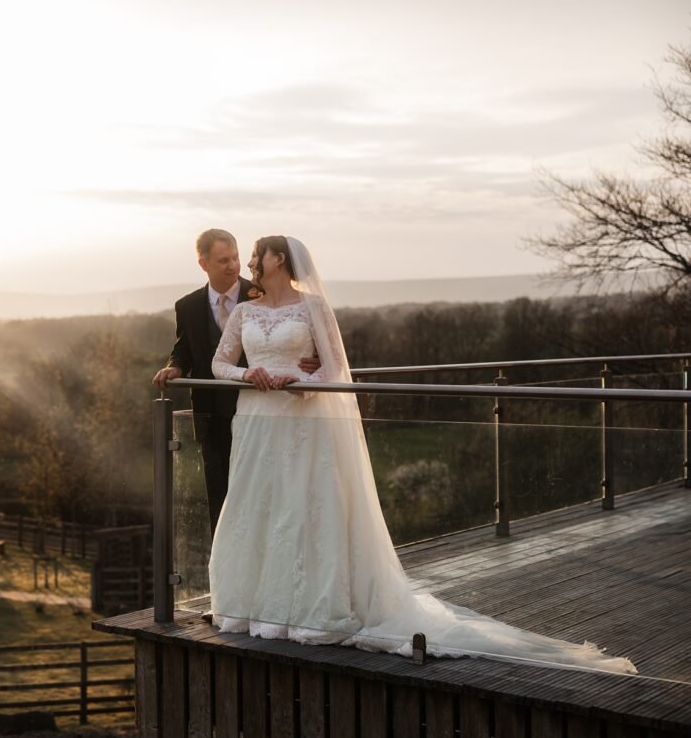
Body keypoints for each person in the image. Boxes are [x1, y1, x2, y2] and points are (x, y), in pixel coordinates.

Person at [207, 235, 637, 673]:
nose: (253, 261)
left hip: (303, 420)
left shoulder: (313, 307)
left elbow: (337, 367)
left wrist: (305, 383)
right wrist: (248, 372)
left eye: (259, 253)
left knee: (303, 509)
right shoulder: (244, 311)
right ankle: (255, 605)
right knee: (258, 507)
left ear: (279, 259)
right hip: (258, 419)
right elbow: (219, 364)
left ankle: (308, 609)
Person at [153, 229, 318, 536]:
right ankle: (231, 570)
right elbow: (185, 348)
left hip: (270, 410)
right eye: (223, 260)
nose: (233, 266)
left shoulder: (260, 291)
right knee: (223, 499)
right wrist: (174, 367)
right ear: (203, 264)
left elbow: (300, 338)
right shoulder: (187, 306)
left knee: (275, 493)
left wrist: (314, 359)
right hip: (210, 412)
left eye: (236, 258)